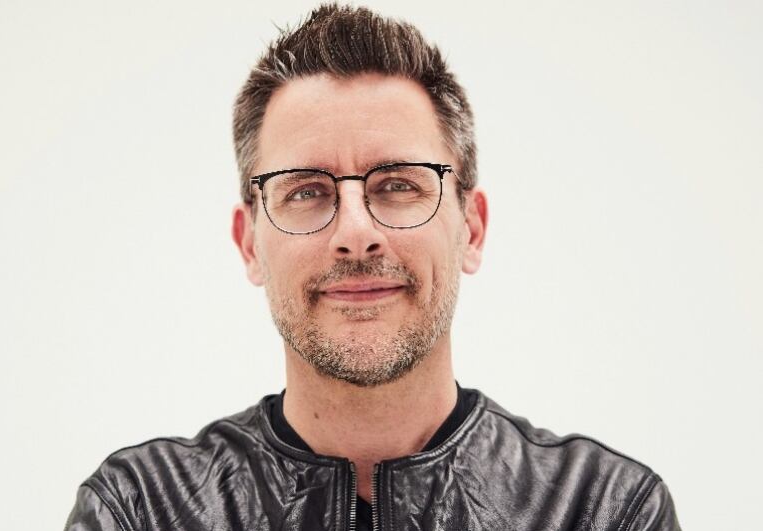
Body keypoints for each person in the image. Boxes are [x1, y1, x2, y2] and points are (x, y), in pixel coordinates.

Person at [64, 4, 680, 530]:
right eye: (306, 191)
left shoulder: (602, 509)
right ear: (250, 243)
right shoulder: (143, 509)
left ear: (472, 227)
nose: (356, 234)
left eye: (398, 185)